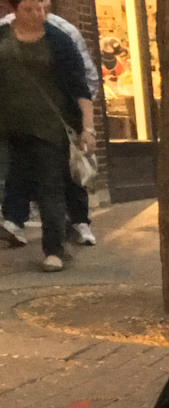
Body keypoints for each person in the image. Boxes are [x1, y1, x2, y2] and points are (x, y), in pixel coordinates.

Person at [0, 0, 92, 272]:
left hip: (49, 129)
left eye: (43, 7)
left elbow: (80, 87)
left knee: (50, 189)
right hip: (9, 129)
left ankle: (54, 250)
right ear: (14, 9)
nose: (38, 14)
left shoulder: (59, 40)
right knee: (14, 179)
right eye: (30, 8)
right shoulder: (3, 38)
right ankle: (15, 222)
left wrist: (88, 128)